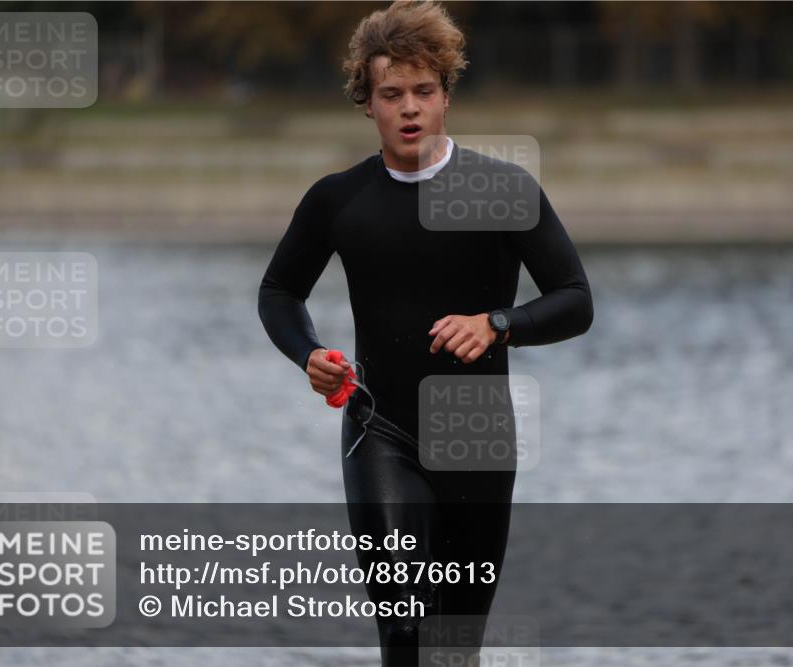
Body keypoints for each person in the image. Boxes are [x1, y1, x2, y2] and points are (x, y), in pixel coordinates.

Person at [258, 1, 592, 664]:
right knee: (405, 627)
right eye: (391, 94)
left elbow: (575, 300)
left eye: (423, 91)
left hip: (477, 434)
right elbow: (278, 291)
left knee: (452, 643)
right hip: (379, 426)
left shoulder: (501, 190)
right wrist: (308, 353)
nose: (408, 107)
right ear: (367, 102)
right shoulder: (337, 199)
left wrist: (500, 324)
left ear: (445, 96)